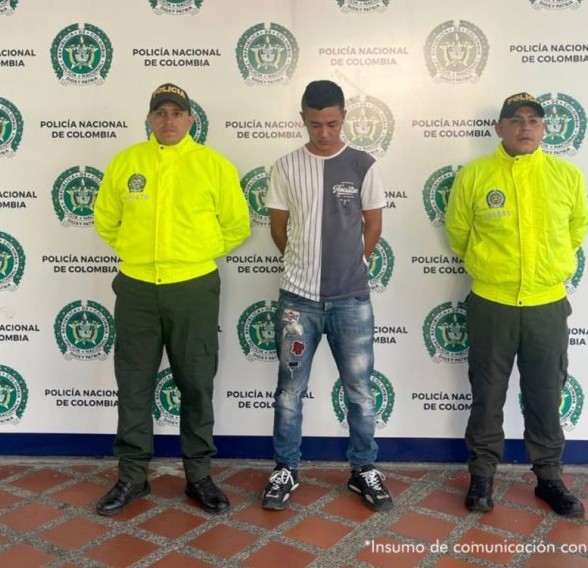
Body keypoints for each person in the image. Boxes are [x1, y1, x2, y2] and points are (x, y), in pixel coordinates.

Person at [93, 82, 251, 516]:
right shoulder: (127, 162)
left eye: (176, 113)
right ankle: (132, 477)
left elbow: (236, 225)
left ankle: (198, 477)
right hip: (137, 287)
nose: (168, 120)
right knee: (134, 384)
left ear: (191, 119)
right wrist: (138, 251)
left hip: (193, 288)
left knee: (196, 383)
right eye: (160, 113)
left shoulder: (212, 165)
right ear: (149, 118)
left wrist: (192, 253)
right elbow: (106, 219)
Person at [444, 92, 588, 517]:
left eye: (535, 120)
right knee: (487, 394)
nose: (526, 127)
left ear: (544, 129)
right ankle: (482, 478)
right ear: (500, 128)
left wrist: (549, 267)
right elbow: (459, 232)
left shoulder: (566, 176)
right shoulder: (475, 175)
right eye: (516, 120)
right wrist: (490, 266)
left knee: (545, 393)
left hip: (547, 303)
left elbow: (576, 229)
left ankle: (548, 478)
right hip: (493, 302)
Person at [260, 80, 392, 512]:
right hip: (298, 302)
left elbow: (372, 225)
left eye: (332, 123)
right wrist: (302, 264)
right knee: (289, 391)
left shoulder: (362, 165)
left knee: (360, 392)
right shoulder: (285, 166)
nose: (324, 132)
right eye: (315, 124)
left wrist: (356, 264)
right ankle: (285, 469)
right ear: (303, 119)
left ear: (344, 119)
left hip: (352, 299)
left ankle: (364, 471)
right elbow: (279, 229)